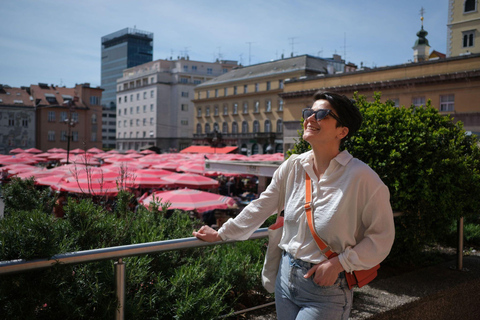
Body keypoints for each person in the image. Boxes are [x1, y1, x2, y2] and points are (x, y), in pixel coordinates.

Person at [193, 91, 395, 320]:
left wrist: (339, 264)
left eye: (321, 114)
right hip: (285, 279)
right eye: (309, 112)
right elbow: (262, 205)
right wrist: (222, 233)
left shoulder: (362, 177)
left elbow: (382, 237)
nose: (310, 118)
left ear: (342, 131)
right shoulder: (294, 166)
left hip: (326, 288)